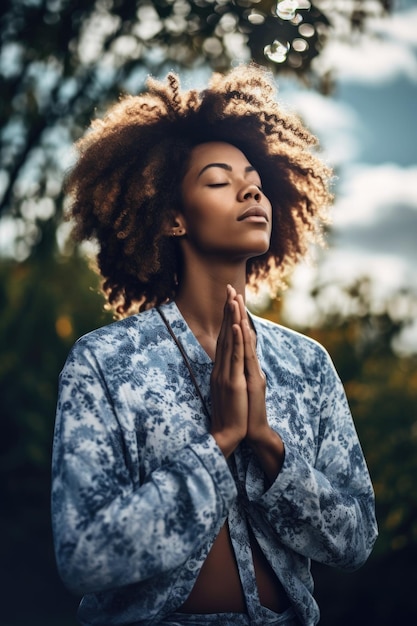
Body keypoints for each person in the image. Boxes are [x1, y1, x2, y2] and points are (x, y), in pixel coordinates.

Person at [51, 64, 377, 626]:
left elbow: (356, 540)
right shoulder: (105, 364)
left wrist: (268, 446)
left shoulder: (308, 365)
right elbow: (84, 555)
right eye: (219, 180)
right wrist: (220, 443)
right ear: (174, 217)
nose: (251, 189)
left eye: (252, 178)